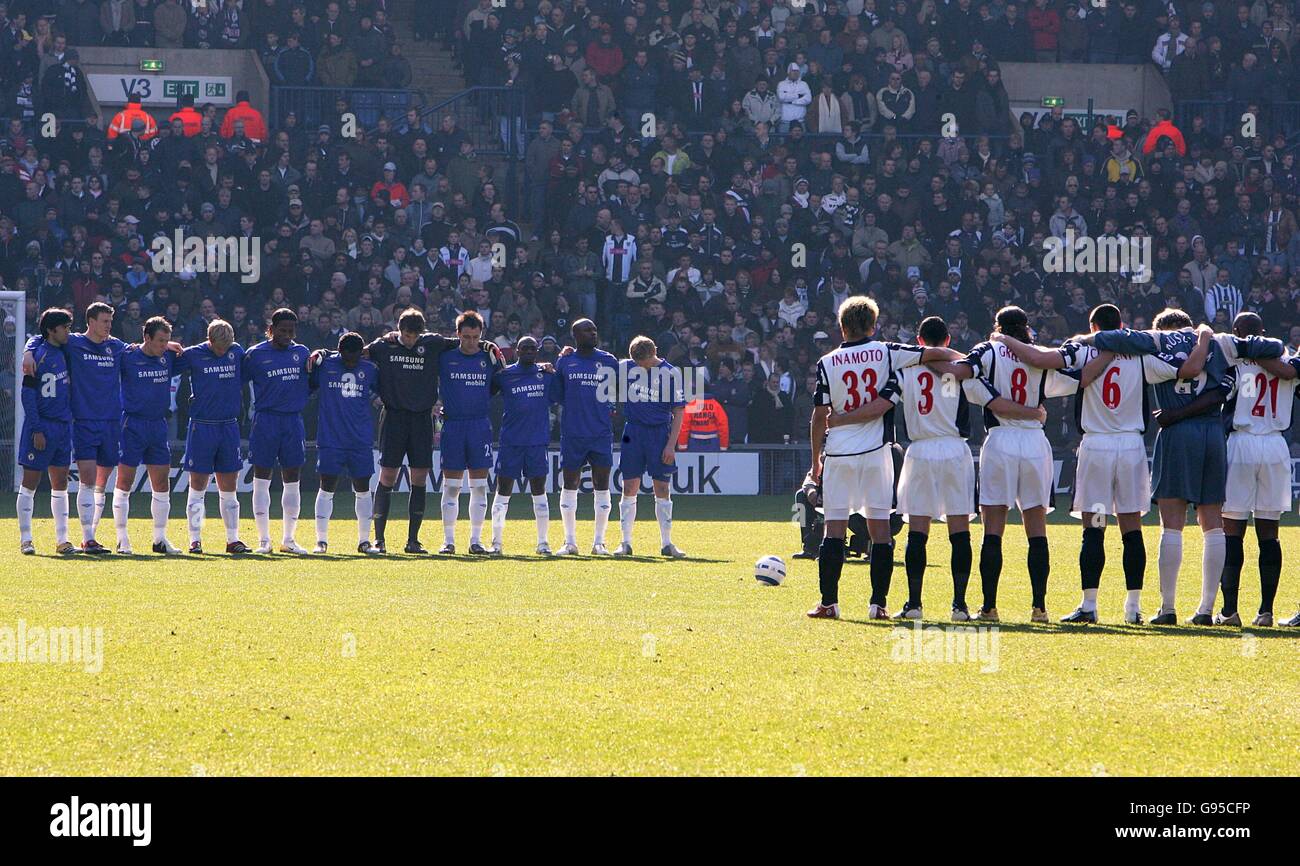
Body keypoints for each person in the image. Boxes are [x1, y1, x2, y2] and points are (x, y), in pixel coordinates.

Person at [995, 304, 1178, 624]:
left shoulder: (1084, 350)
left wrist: (1004, 339)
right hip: (1131, 446)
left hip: (1097, 446)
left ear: (1094, 327)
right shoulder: (1140, 355)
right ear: (1121, 326)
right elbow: (1181, 369)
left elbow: (1041, 359)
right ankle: (1133, 608)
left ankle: (1089, 605)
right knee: (1131, 530)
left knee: (1093, 529)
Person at [1076, 310, 1260, 625]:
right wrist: (1203, 336)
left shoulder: (1154, 349)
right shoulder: (1217, 347)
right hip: (1212, 433)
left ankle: (1168, 608)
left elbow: (1182, 370)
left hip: (1175, 434)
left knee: (1171, 521)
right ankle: (1205, 610)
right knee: (1213, 521)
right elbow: (1221, 390)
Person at [864, 316, 1044, 621]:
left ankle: (914, 604)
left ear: (919, 342)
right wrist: (1034, 413)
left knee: (917, 531)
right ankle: (959, 606)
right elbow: (995, 402)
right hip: (954, 450)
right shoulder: (963, 371)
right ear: (947, 340)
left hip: (920, 450)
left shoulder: (905, 369)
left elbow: (883, 403)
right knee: (959, 532)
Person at [806, 297, 959, 621]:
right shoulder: (887, 351)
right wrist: (968, 360)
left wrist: (816, 460)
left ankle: (829, 603)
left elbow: (819, 416)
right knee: (880, 533)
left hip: (838, 454)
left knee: (834, 531)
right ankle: (878, 605)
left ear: (842, 326)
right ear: (873, 325)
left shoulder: (827, 362)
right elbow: (934, 353)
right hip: (876, 454)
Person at [929, 307, 1083, 623]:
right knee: (1036, 530)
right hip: (1034, 443)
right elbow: (1077, 379)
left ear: (997, 327)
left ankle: (989, 607)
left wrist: (932, 361)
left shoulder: (989, 349)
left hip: (1000, 441)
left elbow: (959, 372)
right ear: (1026, 329)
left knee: (992, 531)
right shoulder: (1038, 354)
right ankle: (1039, 608)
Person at [356, 308, 498, 554]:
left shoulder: (431, 344)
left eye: (415, 337)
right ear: (398, 330)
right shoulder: (384, 346)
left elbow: (465, 340)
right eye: (406, 336)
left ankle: (413, 540)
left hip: (422, 418)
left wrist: (487, 345)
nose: (410, 341)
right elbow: (355, 352)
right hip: (394, 417)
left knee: (419, 477)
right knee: (387, 475)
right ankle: (379, 539)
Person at [24, 302, 127, 554]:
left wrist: (167, 345)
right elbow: (43, 336)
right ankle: (36, 539)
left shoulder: (116, 346)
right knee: (83, 480)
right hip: (80, 422)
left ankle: (76, 539)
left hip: (106, 422)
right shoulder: (73, 344)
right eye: (105, 321)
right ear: (90, 321)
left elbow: (141, 349)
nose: (109, 326)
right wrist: (28, 350)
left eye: (111, 322)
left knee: (90, 483)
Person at [1213, 313, 1295, 626]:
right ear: (1263, 332)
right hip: (1275, 445)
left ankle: (1230, 611)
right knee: (1269, 533)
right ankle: (1266, 612)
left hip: (1241, 443)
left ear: (1236, 333)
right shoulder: (1284, 358)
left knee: (1232, 529)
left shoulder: (1234, 361)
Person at [242, 309, 313, 554]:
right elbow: (237, 382)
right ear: (271, 330)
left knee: (292, 480)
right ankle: (263, 540)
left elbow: (312, 382)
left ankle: (289, 540)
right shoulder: (255, 355)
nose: (287, 335)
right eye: (282, 330)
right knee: (261, 479)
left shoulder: (302, 353)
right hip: (266, 421)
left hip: (292, 422)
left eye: (291, 331)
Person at [112, 316, 183, 555]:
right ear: (147, 337)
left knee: (162, 483)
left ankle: (159, 539)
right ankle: (122, 539)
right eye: (160, 340)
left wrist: (171, 347)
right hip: (132, 425)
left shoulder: (168, 357)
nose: (164, 345)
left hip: (158, 425)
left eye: (167, 340)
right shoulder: (128, 356)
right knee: (125, 482)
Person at [178, 320, 250, 554]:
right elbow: (164, 361)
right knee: (197, 487)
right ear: (210, 341)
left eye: (227, 346)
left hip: (228, 427)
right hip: (202, 426)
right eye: (220, 347)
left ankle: (233, 539)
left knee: (229, 488)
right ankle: (195, 539)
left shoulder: (236, 351)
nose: (224, 351)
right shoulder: (193, 355)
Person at [437, 311, 504, 555]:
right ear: (458, 335)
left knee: (478, 486)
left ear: (481, 336)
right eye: (466, 337)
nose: (471, 342)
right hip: (453, 426)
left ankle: (476, 540)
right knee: (452, 486)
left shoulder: (489, 358)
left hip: (479, 426)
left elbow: (503, 380)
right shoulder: (444, 357)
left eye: (476, 337)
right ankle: (449, 541)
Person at [614, 336, 687, 558]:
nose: (639, 366)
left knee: (662, 488)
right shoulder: (626, 366)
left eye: (642, 362)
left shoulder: (670, 373)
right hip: (632, 432)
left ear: (652, 354)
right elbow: (601, 362)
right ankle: (625, 543)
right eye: (635, 362)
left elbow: (679, 411)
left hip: (658, 433)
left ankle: (667, 543)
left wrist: (670, 446)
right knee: (628, 487)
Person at [309, 332, 382, 555]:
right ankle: (321, 541)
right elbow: (310, 382)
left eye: (355, 357)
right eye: (347, 358)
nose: (351, 362)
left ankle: (364, 541)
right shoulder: (325, 364)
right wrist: (321, 353)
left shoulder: (369, 369)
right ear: (339, 352)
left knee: (362, 490)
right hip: (331, 438)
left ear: (361, 353)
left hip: (360, 439)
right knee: (326, 487)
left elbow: (381, 393)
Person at [551, 318, 619, 556]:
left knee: (602, 486)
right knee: (569, 485)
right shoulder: (565, 361)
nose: (593, 333)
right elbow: (557, 395)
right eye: (587, 330)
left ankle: (599, 543)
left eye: (594, 329)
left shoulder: (609, 361)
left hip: (600, 433)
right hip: (573, 433)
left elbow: (617, 391)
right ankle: (570, 542)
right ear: (575, 336)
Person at [17, 308, 76, 556]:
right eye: (64, 328)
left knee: (60, 483)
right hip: (40, 426)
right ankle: (26, 539)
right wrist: (37, 428)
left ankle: (62, 540)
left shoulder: (67, 350)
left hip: (63, 426)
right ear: (52, 330)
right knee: (30, 483)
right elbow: (27, 395)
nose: (68, 332)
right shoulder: (37, 355)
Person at [490, 336, 555, 555]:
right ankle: (496, 543)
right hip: (511, 442)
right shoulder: (505, 376)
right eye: (524, 348)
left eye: (532, 348)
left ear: (537, 351)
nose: (528, 351)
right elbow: (485, 390)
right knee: (503, 492)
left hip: (537, 443)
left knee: (539, 491)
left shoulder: (546, 375)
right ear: (517, 351)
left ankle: (543, 542)